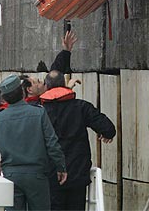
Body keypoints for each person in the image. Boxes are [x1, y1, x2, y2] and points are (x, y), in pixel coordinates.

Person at [0, 74, 67, 211]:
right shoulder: (39, 113)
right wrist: (61, 167)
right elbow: (52, 143)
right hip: (37, 174)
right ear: (22, 92)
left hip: (11, 176)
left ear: (5, 98)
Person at [40, 70, 116, 211]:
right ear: (64, 84)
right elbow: (108, 128)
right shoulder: (81, 107)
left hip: (51, 175)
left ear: (46, 87)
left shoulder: (40, 111)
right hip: (77, 173)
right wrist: (105, 134)